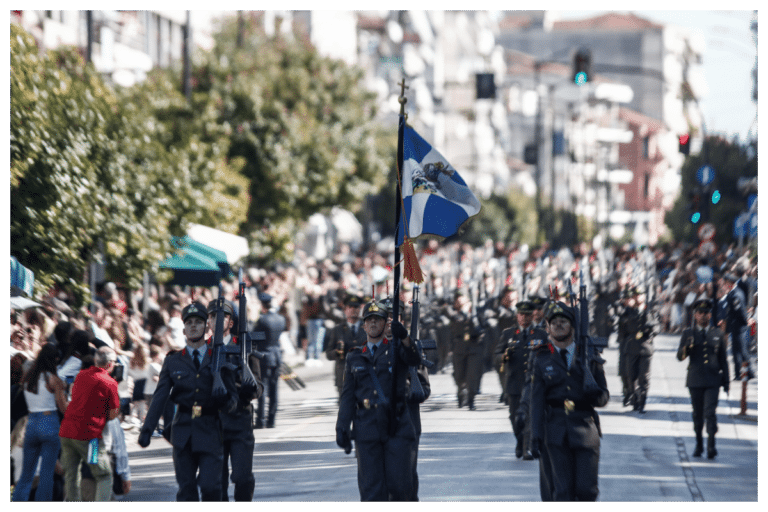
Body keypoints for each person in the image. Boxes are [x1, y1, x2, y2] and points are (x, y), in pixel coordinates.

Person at [137, 301, 238, 501]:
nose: (193, 325)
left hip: (211, 431)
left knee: (210, 487)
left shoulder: (219, 357)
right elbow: (160, 397)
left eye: (198, 322)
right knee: (186, 490)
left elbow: (233, 399)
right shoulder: (173, 360)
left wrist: (224, 398)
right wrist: (147, 429)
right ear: (183, 329)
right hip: (183, 432)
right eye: (189, 322)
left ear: (207, 327)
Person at [335, 301, 421, 501]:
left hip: (396, 424)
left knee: (401, 487)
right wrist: (342, 426)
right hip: (366, 425)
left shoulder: (396, 350)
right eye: (369, 320)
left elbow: (414, 359)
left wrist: (405, 337)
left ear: (385, 324)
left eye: (378, 320)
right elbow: (348, 395)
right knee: (371, 490)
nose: (373, 323)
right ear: (364, 325)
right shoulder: (355, 357)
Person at [529, 301, 609, 502]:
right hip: (555, 432)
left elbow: (603, 398)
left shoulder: (589, 356)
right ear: (547, 327)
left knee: (587, 491)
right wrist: (535, 436)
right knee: (562, 491)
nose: (558, 325)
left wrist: (590, 386)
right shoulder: (541, 358)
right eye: (553, 322)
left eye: (563, 321)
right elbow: (537, 401)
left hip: (584, 430)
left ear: (573, 326)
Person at [206, 300, 264, 501]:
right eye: (213, 316)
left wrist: (249, 389)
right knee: (215, 483)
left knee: (243, 478)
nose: (217, 319)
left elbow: (259, 385)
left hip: (240, 422)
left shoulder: (244, 347)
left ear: (231, 322)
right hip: (213, 425)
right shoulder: (203, 350)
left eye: (223, 316)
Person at [58, 346, 120, 501]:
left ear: (95, 360)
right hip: (90, 437)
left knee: (71, 475)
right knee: (103, 474)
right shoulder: (109, 382)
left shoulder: (80, 375)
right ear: (111, 363)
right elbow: (113, 414)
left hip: (67, 432)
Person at [12, 343, 69, 501]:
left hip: (31, 423)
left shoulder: (27, 377)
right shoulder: (53, 379)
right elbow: (62, 406)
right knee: (46, 474)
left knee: (26, 475)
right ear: (54, 359)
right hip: (49, 421)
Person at [494, 300, 547, 460]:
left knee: (529, 416)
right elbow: (496, 355)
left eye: (528, 315)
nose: (524, 318)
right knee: (515, 417)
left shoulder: (541, 334)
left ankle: (527, 448)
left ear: (533, 316)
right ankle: (519, 441)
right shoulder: (508, 334)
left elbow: (549, 355)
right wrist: (503, 356)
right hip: (513, 383)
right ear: (517, 316)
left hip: (532, 382)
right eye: (521, 314)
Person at [677, 299, 729, 459]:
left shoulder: (718, 333)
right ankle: (699, 444)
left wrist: (726, 382)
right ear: (695, 314)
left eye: (706, 313)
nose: (703, 316)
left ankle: (711, 445)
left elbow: (723, 360)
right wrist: (687, 347)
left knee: (710, 413)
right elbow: (680, 357)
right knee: (697, 415)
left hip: (713, 380)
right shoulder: (688, 333)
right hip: (695, 380)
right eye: (700, 313)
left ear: (710, 315)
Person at [616, 287, 658, 412]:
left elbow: (657, 327)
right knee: (631, 376)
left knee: (644, 377)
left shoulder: (649, 311)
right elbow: (622, 330)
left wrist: (650, 332)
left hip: (645, 348)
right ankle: (634, 398)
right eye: (636, 295)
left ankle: (642, 402)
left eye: (641, 295)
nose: (638, 297)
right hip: (632, 348)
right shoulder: (628, 313)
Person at [253, 292, 286, 429]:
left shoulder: (262, 320)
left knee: (263, 389)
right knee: (274, 390)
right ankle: (271, 420)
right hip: (277, 355)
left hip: (265, 357)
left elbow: (254, 336)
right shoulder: (280, 319)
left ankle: (261, 420)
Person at [324, 293, 366, 399]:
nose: (353, 310)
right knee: (345, 412)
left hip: (364, 376)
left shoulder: (368, 328)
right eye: (350, 307)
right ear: (345, 310)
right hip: (344, 376)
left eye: (356, 307)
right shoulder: (337, 330)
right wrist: (337, 352)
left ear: (360, 309)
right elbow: (328, 354)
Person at [450, 291, 484, 410]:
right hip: (459, 347)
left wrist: (474, 317)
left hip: (474, 348)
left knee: (472, 375)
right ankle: (461, 392)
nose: (459, 300)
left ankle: (471, 399)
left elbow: (483, 328)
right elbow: (453, 328)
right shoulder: (453, 313)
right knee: (459, 375)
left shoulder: (477, 311)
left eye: (462, 297)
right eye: (457, 298)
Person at [718, 273, 754, 380]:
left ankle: (745, 373)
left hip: (739, 327)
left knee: (740, 352)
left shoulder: (735, 295)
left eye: (725, 283)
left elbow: (740, 311)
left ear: (730, 283)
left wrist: (745, 322)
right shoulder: (733, 293)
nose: (724, 285)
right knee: (738, 351)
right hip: (735, 326)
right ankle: (743, 373)